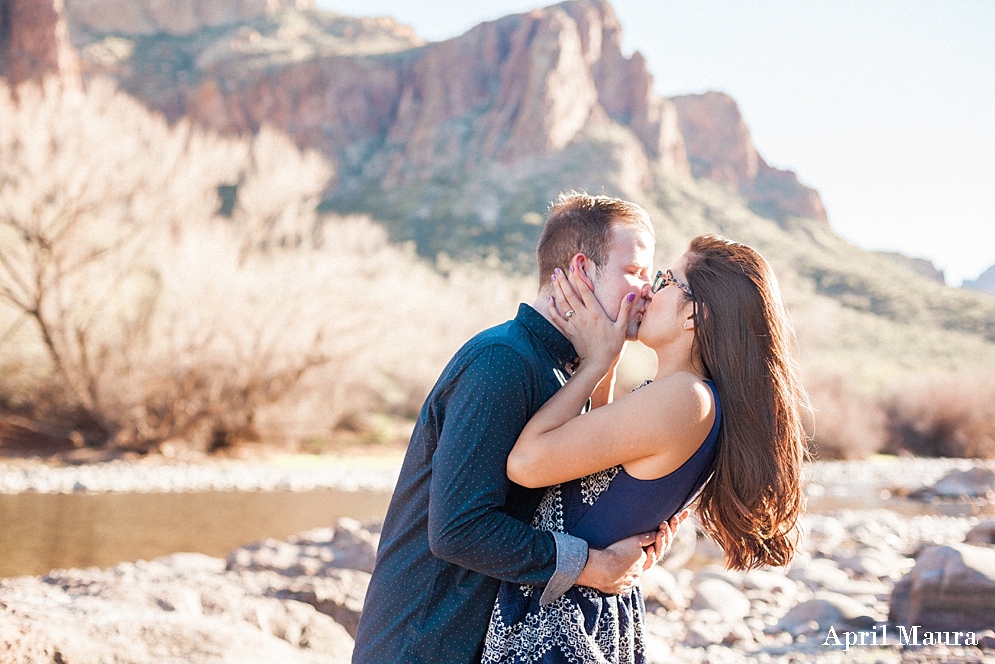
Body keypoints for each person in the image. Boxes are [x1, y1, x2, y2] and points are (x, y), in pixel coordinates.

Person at [352, 194, 685, 664]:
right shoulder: (503, 363)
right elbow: (457, 530)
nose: (648, 291)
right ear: (581, 271)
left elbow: (566, 500)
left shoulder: (560, 371)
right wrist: (591, 567)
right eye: (635, 271)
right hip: (425, 642)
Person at [481, 235, 809, 663]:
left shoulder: (684, 398)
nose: (649, 289)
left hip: (561, 627)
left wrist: (598, 359)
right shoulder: (688, 396)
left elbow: (526, 463)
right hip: (576, 612)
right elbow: (600, 472)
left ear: (695, 313)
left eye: (666, 279)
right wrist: (608, 367)